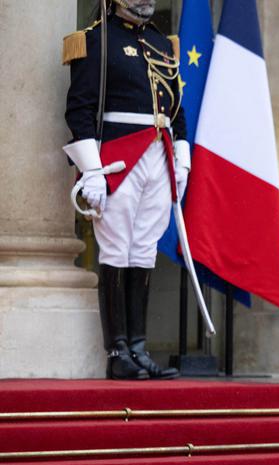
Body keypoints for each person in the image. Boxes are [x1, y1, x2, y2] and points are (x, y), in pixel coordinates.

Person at [63, 0, 185, 380]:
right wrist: (92, 169)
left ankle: (138, 348)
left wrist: (181, 155)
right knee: (116, 245)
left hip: (158, 152)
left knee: (145, 246)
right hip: (118, 153)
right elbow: (79, 109)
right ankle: (117, 351)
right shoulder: (95, 41)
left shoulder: (162, 43)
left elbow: (177, 106)